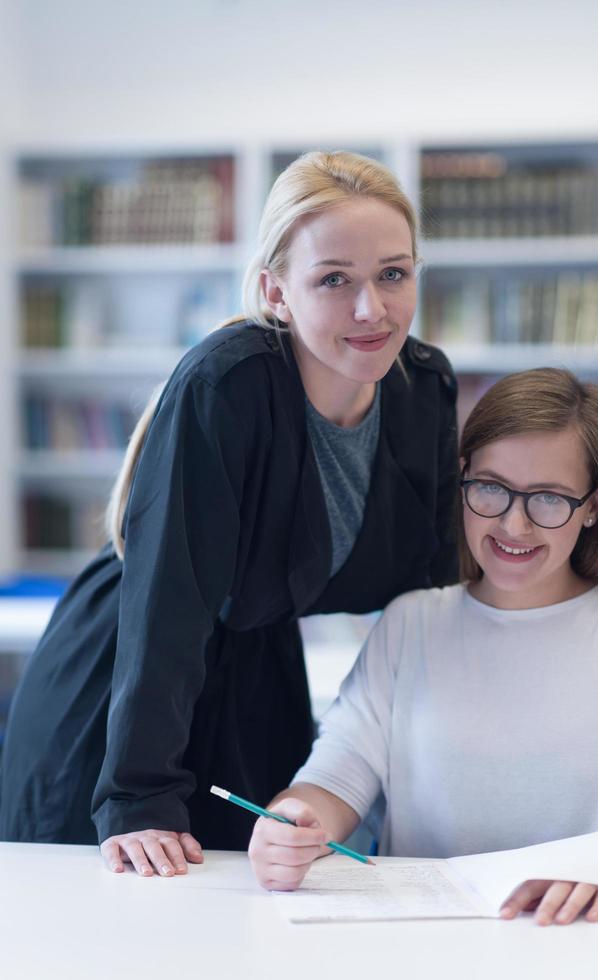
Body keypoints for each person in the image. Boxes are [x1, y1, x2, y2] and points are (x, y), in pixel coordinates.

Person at [0, 151, 459, 875]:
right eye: (333, 279)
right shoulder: (228, 384)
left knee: (255, 900)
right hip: (130, 675)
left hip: (257, 666)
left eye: (393, 274)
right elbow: (170, 603)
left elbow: (435, 597)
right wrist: (138, 796)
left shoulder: (422, 387)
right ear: (277, 291)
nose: (371, 308)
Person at [248, 367, 598, 926]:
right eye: (491, 487)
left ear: (594, 505)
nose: (514, 524)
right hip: (424, 944)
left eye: (550, 499)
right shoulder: (410, 624)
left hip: (583, 944)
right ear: (461, 479)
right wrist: (288, 824)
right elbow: (332, 782)